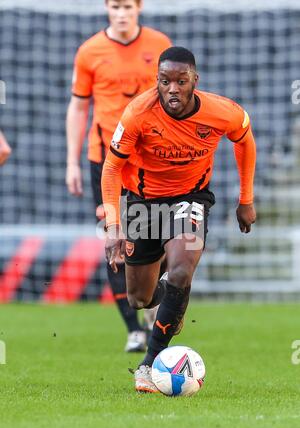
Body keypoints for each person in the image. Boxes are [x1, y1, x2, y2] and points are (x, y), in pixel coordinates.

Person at [101, 46, 256, 392]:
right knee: (140, 298)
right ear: (156, 80)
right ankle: (174, 300)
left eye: (181, 81)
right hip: (142, 202)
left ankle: (149, 363)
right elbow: (112, 168)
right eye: (165, 81)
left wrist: (246, 199)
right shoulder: (138, 113)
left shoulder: (222, 112)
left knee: (182, 270)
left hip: (190, 198)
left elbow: (245, 141)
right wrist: (113, 226)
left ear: (193, 81)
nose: (173, 88)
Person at [66, 0, 171, 352]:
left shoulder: (159, 45)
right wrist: (72, 162)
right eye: (115, 6)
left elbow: (172, 100)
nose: (121, 13)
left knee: (155, 238)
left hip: (150, 160)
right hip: (106, 162)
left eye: (127, 5)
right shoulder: (89, 51)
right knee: (113, 240)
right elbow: (79, 106)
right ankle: (135, 329)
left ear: (139, 7)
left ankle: (155, 309)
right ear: (107, 8)